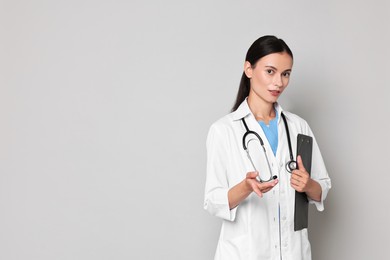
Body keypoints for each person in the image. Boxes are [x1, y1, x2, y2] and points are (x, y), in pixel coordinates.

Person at [204, 35, 331, 260]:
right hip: (246, 253)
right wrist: (245, 187)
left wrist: (308, 184)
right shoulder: (223, 130)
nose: (279, 82)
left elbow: (322, 189)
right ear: (249, 69)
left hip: (293, 252)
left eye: (286, 74)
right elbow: (213, 201)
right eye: (270, 71)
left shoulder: (298, 127)